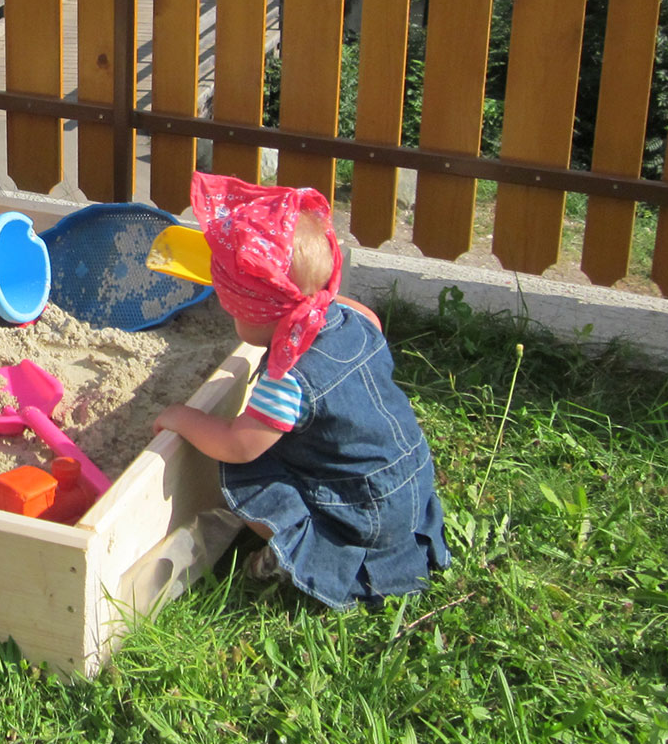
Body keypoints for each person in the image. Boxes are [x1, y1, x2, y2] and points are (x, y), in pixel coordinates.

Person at [153, 171, 450, 609]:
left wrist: (183, 417)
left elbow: (239, 444)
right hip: (410, 486)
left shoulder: (289, 378)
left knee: (248, 475)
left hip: (361, 517)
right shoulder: (353, 323)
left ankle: (294, 556)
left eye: (232, 308)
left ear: (258, 314)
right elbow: (370, 317)